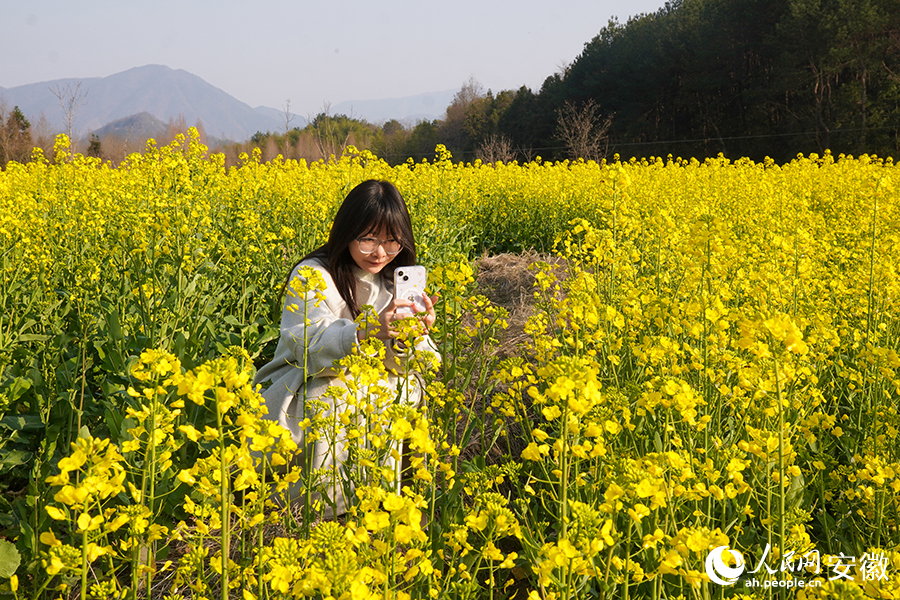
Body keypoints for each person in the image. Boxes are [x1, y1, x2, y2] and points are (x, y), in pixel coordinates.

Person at [254, 179, 440, 517]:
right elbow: (306, 349)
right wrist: (366, 331)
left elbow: (425, 363)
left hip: (366, 383)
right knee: (334, 393)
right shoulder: (312, 274)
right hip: (304, 384)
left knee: (405, 388)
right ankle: (321, 512)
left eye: (392, 240)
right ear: (345, 232)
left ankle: (385, 504)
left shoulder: (395, 280)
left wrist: (407, 338)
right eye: (368, 238)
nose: (380, 252)